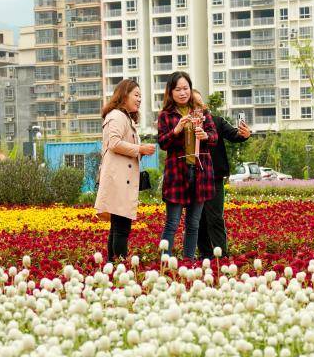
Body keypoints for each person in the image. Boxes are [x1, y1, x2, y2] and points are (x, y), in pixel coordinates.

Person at [156, 72, 219, 260]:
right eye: (178, 89)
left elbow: (214, 137)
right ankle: (164, 262)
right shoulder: (166, 115)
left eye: (186, 88)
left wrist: (205, 136)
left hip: (200, 172)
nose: (183, 93)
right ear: (171, 92)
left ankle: (188, 262)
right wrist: (176, 130)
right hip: (177, 174)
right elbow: (163, 143)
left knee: (193, 223)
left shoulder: (201, 111)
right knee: (172, 223)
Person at [94, 79, 156, 262]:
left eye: (140, 96)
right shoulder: (116, 116)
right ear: (124, 95)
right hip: (118, 180)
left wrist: (140, 152)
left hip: (121, 179)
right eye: (136, 95)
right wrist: (140, 149)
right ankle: (119, 265)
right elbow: (114, 143)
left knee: (118, 226)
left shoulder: (124, 117)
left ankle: (113, 265)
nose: (139, 99)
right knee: (121, 227)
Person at [193, 90, 251, 259]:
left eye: (198, 103)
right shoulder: (185, 125)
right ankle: (204, 256)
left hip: (214, 178)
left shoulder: (216, 122)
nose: (196, 107)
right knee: (198, 220)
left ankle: (221, 257)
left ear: (204, 106)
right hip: (193, 179)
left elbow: (234, 134)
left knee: (215, 218)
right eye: (192, 104)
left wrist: (244, 134)